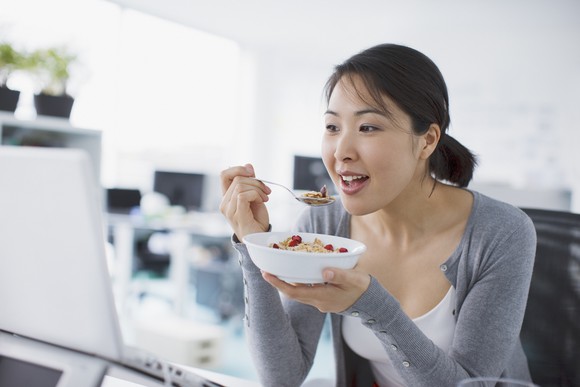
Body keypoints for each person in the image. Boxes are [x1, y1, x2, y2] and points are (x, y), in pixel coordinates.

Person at [219, 43, 537, 387]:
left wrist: (372, 307)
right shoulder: (324, 226)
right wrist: (255, 245)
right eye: (332, 127)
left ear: (427, 141)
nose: (341, 151)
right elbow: (282, 377)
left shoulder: (502, 232)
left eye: (368, 127)